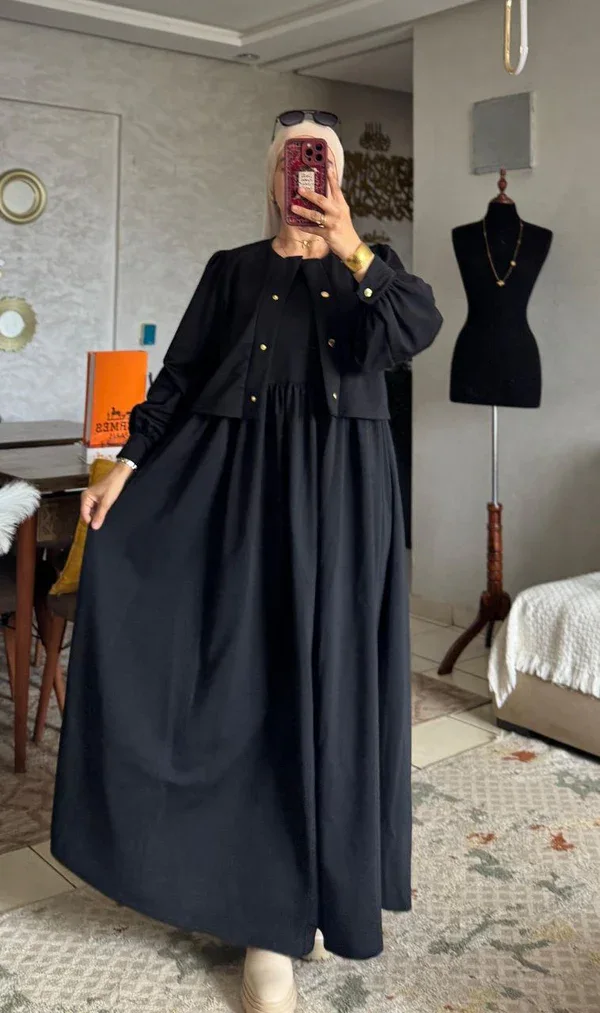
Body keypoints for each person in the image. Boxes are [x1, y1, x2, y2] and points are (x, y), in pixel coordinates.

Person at [52, 114, 442, 1013]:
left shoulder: (373, 269)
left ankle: (308, 901)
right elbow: (182, 377)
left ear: (338, 179)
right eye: (294, 160)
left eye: (323, 161)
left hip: (342, 504)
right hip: (234, 496)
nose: (307, 174)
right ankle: (256, 907)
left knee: (328, 688)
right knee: (241, 685)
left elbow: (414, 330)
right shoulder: (231, 270)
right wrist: (124, 468)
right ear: (272, 176)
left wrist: (349, 245)